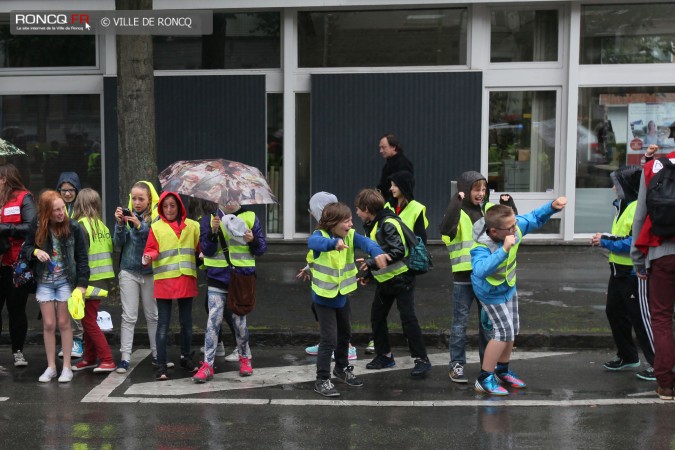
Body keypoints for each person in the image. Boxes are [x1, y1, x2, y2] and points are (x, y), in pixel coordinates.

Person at [471, 198, 567, 395]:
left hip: (508, 287)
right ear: (495, 232)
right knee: (503, 331)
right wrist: (504, 250)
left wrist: (551, 207)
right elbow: (480, 270)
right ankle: (484, 378)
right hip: (489, 293)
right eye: (510, 227)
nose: (515, 229)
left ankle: (502, 371)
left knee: (513, 329)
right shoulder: (481, 246)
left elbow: (533, 218)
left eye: (515, 224)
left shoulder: (514, 227)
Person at [439, 171, 517, 384]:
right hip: (464, 277)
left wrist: (511, 205)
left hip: (485, 278)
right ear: (464, 190)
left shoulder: (488, 213)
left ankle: (487, 367)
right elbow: (445, 229)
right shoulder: (458, 212)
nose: (481, 193)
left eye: (484, 189)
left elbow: (510, 228)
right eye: (476, 189)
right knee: (460, 323)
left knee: (489, 325)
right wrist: (456, 203)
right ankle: (457, 365)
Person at [308, 202, 388, 397]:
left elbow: (367, 243)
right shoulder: (321, 236)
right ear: (333, 223)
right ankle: (322, 380)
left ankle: (341, 369)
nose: (351, 224)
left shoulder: (350, 236)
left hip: (342, 295)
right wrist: (332, 244)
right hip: (323, 297)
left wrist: (377, 253)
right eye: (347, 221)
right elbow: (313, 243)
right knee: (329, 339)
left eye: (352, 220)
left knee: (345, 334)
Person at [355, 188, 432, 378]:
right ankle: (385, 355)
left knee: (408, 319)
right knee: (377, 317)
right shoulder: (374, 224)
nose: (356, 212)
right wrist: (370, 274)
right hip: (386, 280)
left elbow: (398, 251)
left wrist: (372, 263)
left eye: (358, 209)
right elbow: (379, 253)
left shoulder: (387, 224)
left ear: (366, 208)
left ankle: (422, 359)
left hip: (402, 279)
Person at [591, 166, 655, 381]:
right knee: (614, 312)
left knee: (641, 319)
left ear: (628, 186)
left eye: (616, 184)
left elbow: (634, 242)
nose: (612, 188)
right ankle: (628, 356)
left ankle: (658, 364)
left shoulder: (639, 207)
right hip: (618, 270)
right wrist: (606, 237)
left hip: (633, 272)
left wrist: (604, 240)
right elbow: (624, 235)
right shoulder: (624, 205)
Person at [193, 200, 267, 382]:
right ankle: (208, 365)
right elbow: (207, 251)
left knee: (240, 322)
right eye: (226, 197)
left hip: (241, 278)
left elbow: (261, 249)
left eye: (235, 197)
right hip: (217, 278)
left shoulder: (250, 217)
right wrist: (212, 232)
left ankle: (244, 358)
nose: (231, 201)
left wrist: (253, 240)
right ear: (218, 198)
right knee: (213, 321)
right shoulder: (209, 220)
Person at [23, 190, 90, 383]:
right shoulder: (37, 225)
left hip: (65, 281)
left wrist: (82, 284)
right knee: (49, 324)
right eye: (56, 210)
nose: (62, 213)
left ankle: (66, 367)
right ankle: (51, 367)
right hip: (44, 281)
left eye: (62, 208)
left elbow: (82, 258)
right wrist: (36, 251)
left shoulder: (74, 227)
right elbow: (26, 248)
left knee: (64, 323)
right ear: (46, 213)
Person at [631, 146, 675, 400]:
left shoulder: (652, 168)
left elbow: (640, 217)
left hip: (660, 255)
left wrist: (639, 260)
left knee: (661, 319)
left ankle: (666, 385)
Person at [143, 191, 200, 381]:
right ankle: (161, 364)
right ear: (161, 207)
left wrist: (203, 253)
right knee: (163, 325)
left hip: (185, 278)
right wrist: (148, 257)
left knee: (187, 323)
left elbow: (201, 247)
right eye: (165, 206)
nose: (168, 209)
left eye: (172, 205)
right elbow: (151, 249)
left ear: (179, 207)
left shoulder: (193, 226)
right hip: (165, 280)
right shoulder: (156, 227)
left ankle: (186, 357)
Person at [113, 181, 166, 373]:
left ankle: (157, 355)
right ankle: (125, 358)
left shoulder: (157, 217)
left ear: (149, 199)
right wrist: (120, 225)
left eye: (141, 199)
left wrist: (140, 225)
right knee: (129, 316)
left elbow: (155, 241)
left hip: (150, 272)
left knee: (153, 315)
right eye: (134, 198)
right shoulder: (127, 215)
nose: (136, 202)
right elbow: (118, 243)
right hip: (128, 270)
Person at [299, 192, 357, 361]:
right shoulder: (322, 231)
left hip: (337, 284)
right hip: (325, 284)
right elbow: (319, 254)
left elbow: (334, 257)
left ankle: (346, 347)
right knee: (318, 310)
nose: (310, 213)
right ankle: (329, 341)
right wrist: (308, 267)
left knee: (339, 317)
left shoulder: (336, 231)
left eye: (312, 210)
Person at [70, 188, 116, 373]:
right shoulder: (101, 226)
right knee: (87, 318)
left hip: (86, 280)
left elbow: (78, 255)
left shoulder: (80, 226)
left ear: (78, 204)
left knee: (88, 321)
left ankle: (107, 359)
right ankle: (89, 358)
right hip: (101, 279)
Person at [0, 163, 36, 368]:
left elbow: (32, 226)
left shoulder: (24, 197)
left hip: (16, 264)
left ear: (5, 179)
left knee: (16, 310)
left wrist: (4, 228)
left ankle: (18, 352)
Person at [56, 171, 84, 359]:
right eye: (63, 190)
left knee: (76, 306)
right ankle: (67, 341)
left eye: (71, 190)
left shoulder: (81, 209)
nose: (67, 194)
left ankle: (78, 341)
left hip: (76, 265)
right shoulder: (55, 209)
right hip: (59, 266)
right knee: (62, 307)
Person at [385, 170, 428, 244]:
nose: (391, 188)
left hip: (408, 254)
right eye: (391, 185)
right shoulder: (387, 206)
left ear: (404, 187)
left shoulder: (417, 208)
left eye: (395, 185)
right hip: (388, 253)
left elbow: (420, 239)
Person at [376, 134, 414, 205]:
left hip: (399, 206)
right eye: (380, 148)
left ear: (393, 147)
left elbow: (405, 189)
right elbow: (383, 186)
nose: (380, 151)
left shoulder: (403, 164)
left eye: (383, 147)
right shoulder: (387, 165)